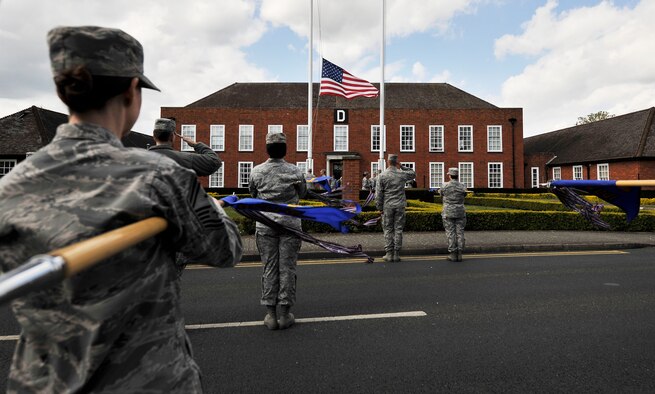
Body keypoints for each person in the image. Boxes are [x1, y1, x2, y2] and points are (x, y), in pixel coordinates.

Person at [0, 26, 242, 393]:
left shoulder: (10, 188)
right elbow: (225, 251)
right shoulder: (161, 177)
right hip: (148, 381)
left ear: (64, 92)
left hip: (43, 383)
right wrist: (211, 205)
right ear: (132, 90)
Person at [249, 132, 307, 330]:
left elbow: (253, 194)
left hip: (265, 225)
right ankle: (284, 314)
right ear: (285, 150)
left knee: (270, 268)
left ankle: (271, 315)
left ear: (267, 149)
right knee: (287, 268)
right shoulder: (295, 172)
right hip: (290, 225)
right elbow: (303, 194)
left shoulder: (256, 171)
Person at [375, 154, 416, 262]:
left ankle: (389, 254)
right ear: (396, 162)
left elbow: (378, 194)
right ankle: (396, 254)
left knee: (388, 229)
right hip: (400, 205)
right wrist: (402, 166)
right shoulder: (402, 174)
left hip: (387, 205)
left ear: (388, 162)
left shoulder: (382, 176)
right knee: (398, 229)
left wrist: (379, 207)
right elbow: (413, 173)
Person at [148, 117, 221, 177]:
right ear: (172, 136)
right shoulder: (185, 159)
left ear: (154, 136)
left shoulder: (138, 158)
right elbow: (214, 161)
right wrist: (195, 144)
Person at [438, 168, 468, 262]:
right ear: (457, 176)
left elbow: (440, 194)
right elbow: (465, 195)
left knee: (451, 233)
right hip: (460, 211)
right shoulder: (462, 185)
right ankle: (460, 254)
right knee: (460, 232)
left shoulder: (444, 185)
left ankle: (453, 254)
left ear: (449, 175)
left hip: (448, 211)